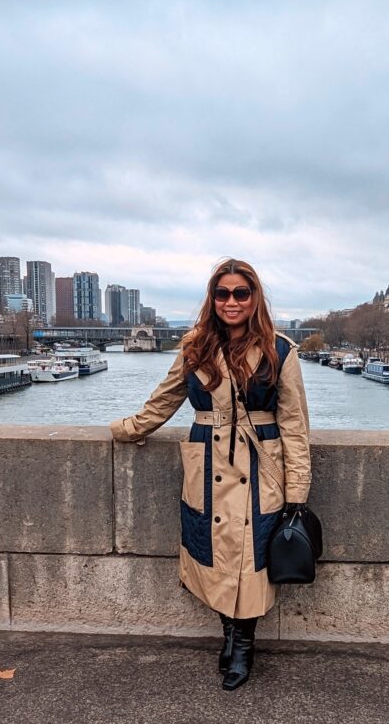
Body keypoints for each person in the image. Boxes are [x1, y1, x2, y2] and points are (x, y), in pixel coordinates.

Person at [109, 258, 311, 691]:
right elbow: (163, 401)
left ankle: (243, 644)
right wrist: (128, 429)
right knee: (217, 554)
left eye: (241, 293)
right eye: (223, 293)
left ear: (254, 297)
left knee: (253, 558)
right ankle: (229, 633)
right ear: (212, 298)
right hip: (209, 465)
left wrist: (297, 488)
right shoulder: (193, 346)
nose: (232, 301)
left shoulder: (280, 350)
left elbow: (294, 423)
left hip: (261, 468)